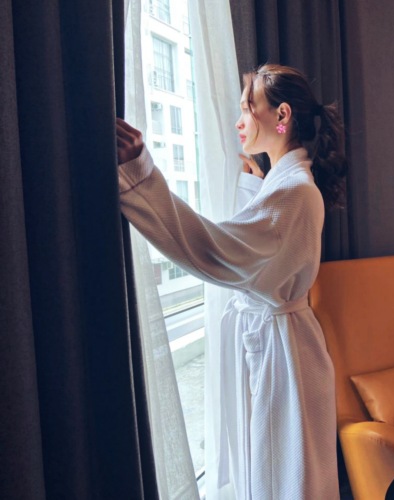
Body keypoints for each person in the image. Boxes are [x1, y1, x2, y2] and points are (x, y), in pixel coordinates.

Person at [116, 64, 346, 500]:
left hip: (285, 357)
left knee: (284, 480)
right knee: (279, 474)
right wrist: (254, 186)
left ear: (282, 115)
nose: (238, 121)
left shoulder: (294, 191)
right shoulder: (289, 184)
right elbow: (264, 245)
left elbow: (215, 250)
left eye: (246, 108)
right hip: (284, 345)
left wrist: (140, 178)